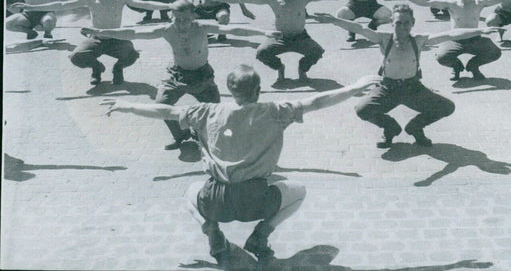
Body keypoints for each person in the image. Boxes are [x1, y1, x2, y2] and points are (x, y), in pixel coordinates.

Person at [100, 65, 376, 264]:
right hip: (257, 201)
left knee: (188, 193)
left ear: (231, 90)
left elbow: (167, 111)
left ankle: (211, 232)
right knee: (299, 190)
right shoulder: (275, 111)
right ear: (257, 90)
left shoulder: (207, 111)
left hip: (215, 201)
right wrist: (355, 87)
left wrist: (127, 106)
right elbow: (317, 100)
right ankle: (261, 234)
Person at [85, 0, 263, 150]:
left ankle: (200, 134)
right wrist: (100, 32)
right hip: (176, 74)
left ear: (193, 17)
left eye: (185, 19)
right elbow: (134, 32)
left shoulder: (202, 27)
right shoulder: (167, 30)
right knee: (161, 106)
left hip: (202, 76)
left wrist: (263, 32)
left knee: (214, 112)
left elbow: (234, 30)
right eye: (177, 19)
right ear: (171, 17)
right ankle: (181, 135)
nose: (181, 24)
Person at [314, 4, 493, 147]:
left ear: (412, 23)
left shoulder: (419, 40)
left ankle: (415, 128)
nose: (402, 27)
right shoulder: (383, 38)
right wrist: (334, 20)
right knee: (362, 110)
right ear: (392, 23)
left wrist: (479, 31)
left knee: (447, 107)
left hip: (413, 89)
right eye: (398, 23)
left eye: (406, 23)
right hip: (387, 89)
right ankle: (390, 129)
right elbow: (358, 28)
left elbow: (450, 33)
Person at [209, 0, 371, 84]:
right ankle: (280, 68)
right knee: (262, 53)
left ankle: (302, 69)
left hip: (301, 37)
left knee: (317, 51)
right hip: (279, 37)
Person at [13, 0, 170, 85]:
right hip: (96, 40)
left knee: (132, 55)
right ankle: (96, 68)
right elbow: (61, 5)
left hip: (117, 39)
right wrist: (31, 7)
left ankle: (118, 69)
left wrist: (170, 5)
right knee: (76, 57)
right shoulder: (89, 0)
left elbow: (144, 4)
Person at [403, 0, 511, 81]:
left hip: (475, 40)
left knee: (495, 52)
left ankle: (473, 66)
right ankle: (456, 67)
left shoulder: (479, 2)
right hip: (455, 41)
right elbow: (427, 2)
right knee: (441, 57)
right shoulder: (450, 4)